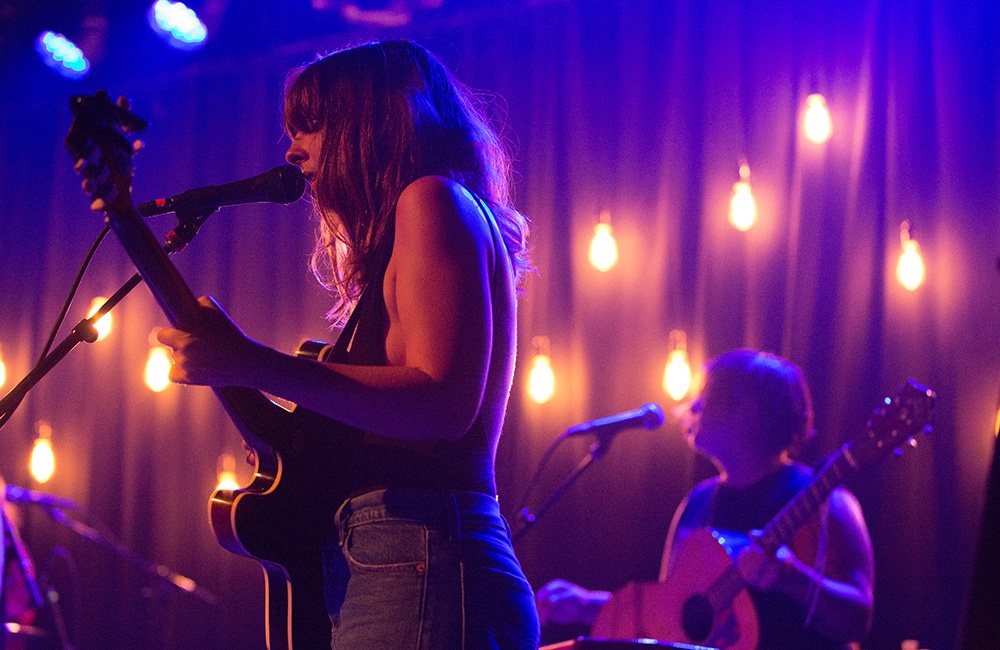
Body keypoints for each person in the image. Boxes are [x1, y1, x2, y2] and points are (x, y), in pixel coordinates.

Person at [79, 39, 540, 649]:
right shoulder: (427, 216)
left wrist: (252, 363)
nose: (292, 151)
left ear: (371, 124)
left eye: (311, 128)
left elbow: (441, 404)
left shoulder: (430, 198)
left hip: (421, 555)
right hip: (405, 561)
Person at [536, 349, 875, 650]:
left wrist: (793, 578)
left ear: (745, 407)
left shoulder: (825, 501)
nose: (694, 406)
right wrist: (587, 605)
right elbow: (670, 614)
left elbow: (859, 619)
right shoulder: (696, 502)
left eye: (707, 395)